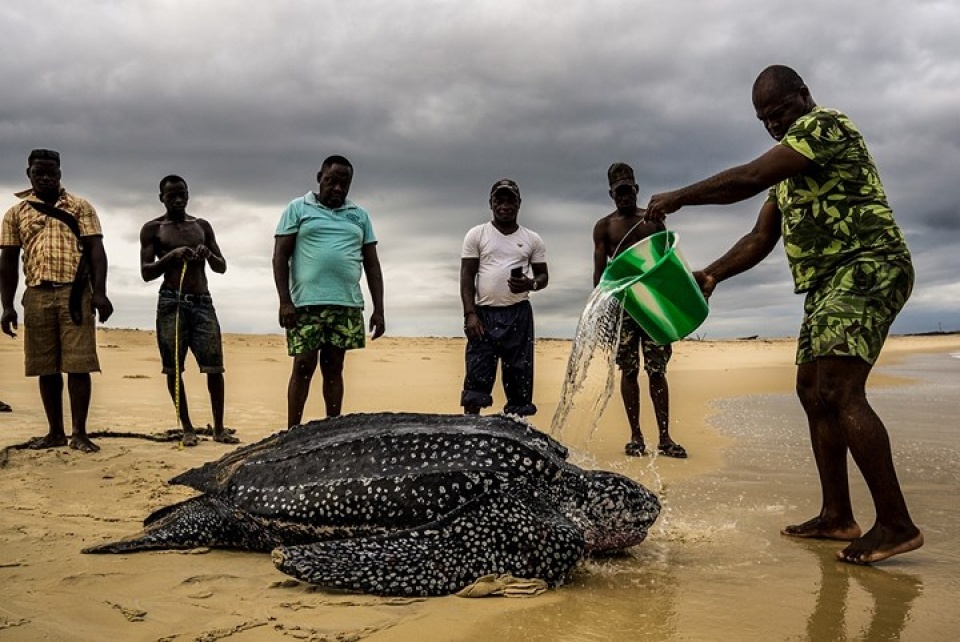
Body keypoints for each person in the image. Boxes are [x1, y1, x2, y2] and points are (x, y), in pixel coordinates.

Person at [644, 64, 923, 564]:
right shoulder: (790, 177)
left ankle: (896, 524)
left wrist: (680, 197)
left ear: (804, 95)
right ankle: (836, 515)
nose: (774, 125)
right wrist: (712, 274)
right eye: (765, 120)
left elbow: (749, 177)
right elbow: (759, 237)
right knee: (812, 390)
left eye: (779, 112)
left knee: (840, 390)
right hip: (826, 284)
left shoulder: (825, 126)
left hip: (868, 265)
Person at [0, 149, 113, 452]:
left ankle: (79, 433)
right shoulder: (15, 213)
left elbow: (96, 251)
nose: (46, 178)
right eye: (39, 173)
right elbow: (8, 262)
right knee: (45, 366)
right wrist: (7, 306)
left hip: (75, 293)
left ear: (60, 173)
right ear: (29, 174)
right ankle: (55, 433)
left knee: (79, 364)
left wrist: (100, 292)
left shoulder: (80, 206)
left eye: (52, 173)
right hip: (37, 294)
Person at [272, 155, 385, 427]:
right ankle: (292, 432)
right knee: (303, 366)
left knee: (334, 368)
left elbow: (372, 264)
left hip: (345, 303)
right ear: (319, 177)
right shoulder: (298, 208)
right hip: (305, 304)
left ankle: (332, 430)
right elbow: (280, 256)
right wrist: (285, 301)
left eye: (344, 184)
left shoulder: (359, 215)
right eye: (331, 181)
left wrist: (379, 309)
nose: (337, 188)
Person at [593, 163, 686, 458]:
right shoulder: (604, 227)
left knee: (657, 370)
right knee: (629, 370)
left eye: (628, 190)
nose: (624, 196)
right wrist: (603, 313)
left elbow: (668, 263)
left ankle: (665, 438)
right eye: (619, 192)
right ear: (611, 194)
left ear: (636, 189)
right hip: (625, 307)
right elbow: (600, 275)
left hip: (654, 305)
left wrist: (674, 306)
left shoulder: (653, 221)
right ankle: (636, 437)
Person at [139, 175, 238, 447]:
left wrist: (208, 255)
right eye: (171, 195)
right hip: (171, 302)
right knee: (173, 368)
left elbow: (221, 266)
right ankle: (187, 428)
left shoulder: (202, 226)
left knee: (214, 367)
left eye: (182, 194)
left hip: (202, 301)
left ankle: (219, 428)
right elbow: (146, 272)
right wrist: (170, 256)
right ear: (161, 197)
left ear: (188, 195)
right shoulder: (153, 229)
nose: (178, 199)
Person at [460, 178, 548, 416]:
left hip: (518, 314)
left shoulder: (532, 239)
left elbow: (543, 276)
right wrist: (470, 313)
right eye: (499, 200)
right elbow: (467, 276)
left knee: (519, 380)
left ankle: (517, 431)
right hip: (483, 316)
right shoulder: (477, 234)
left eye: (511, 201)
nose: (505, 206)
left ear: (519, 204)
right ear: (491, 203)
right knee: (476, 379)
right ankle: (469, 430)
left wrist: (531, 284)